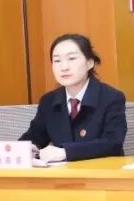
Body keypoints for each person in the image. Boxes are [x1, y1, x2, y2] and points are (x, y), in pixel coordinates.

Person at [20, 34, 126, 162]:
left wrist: (66, 152)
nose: (64, 67)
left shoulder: (111, 97)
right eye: (57, 61)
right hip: (62, 173)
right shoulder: (48, 101)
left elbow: (113, 143)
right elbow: (35, 136)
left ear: (90, 63)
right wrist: (26, 148)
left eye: (71, 58)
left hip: (102, 171)